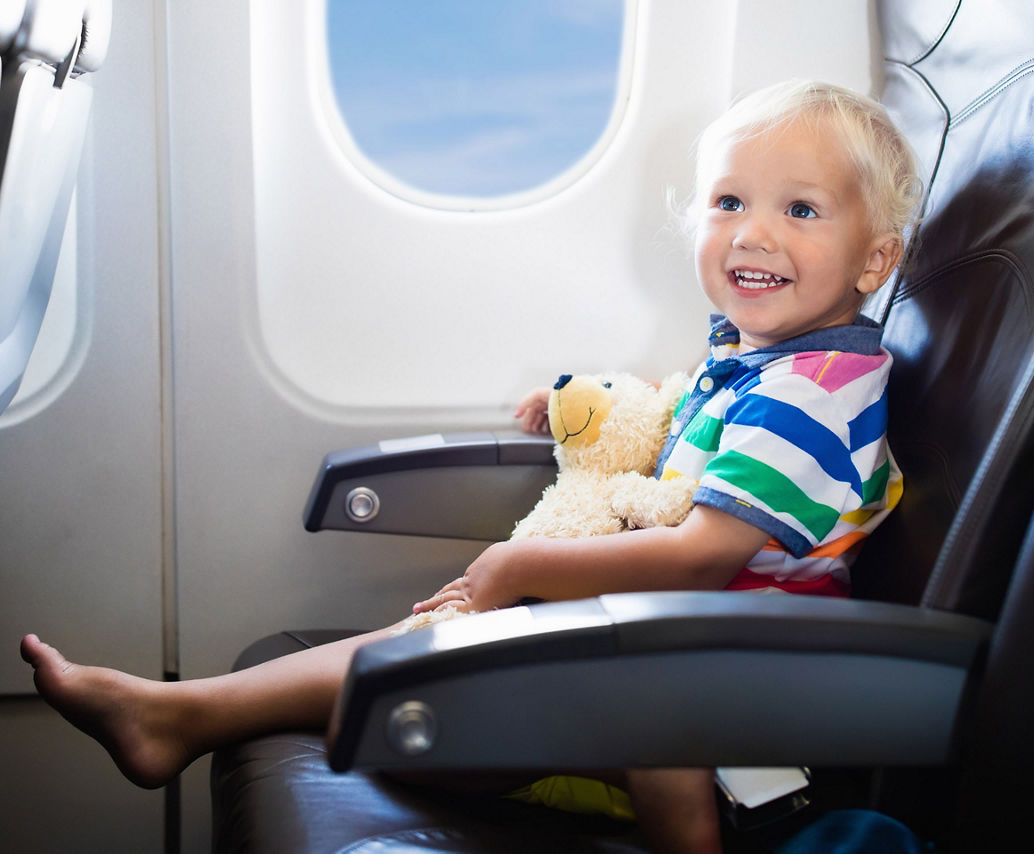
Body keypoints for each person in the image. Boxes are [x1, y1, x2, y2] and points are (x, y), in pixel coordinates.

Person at [20, 79, 921, 854]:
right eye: (729, 203)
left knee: (464, 694)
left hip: (739, 690)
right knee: (435, 667)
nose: (752, 234)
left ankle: (193, 715)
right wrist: (595, 403)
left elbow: (702, 554)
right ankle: (183, 714)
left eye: (799, 210)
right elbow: (689, 415)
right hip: (676, 649)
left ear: (876, 259)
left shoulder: (813, 393)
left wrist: (516, 565)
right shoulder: (761, 361)